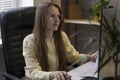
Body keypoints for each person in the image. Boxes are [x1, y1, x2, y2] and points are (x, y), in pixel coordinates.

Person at [23, 2, 97, 80]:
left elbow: (73, 57)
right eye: (52, 16)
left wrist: (88, 57)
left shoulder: (62, 36)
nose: (57, 20)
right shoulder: (30, 40)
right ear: (42, 19)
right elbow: (33, 72)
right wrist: (52, 75)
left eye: (58, 16)